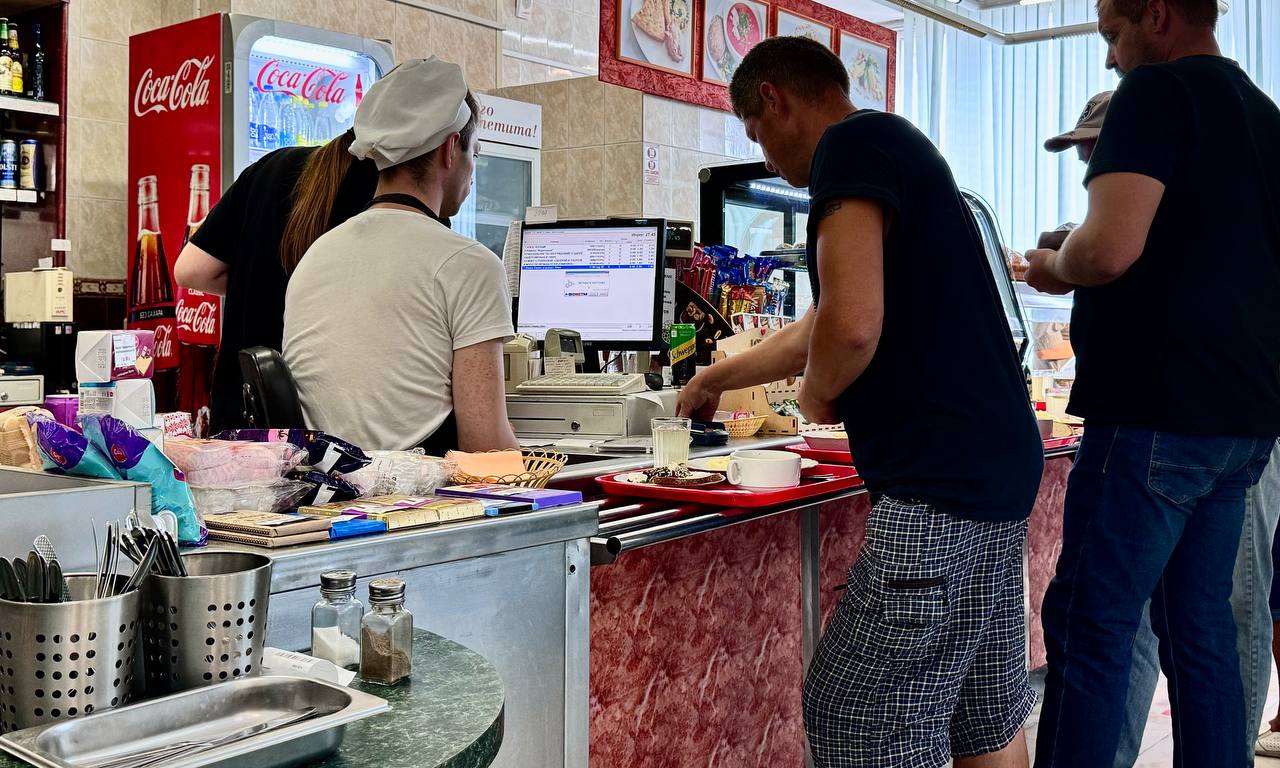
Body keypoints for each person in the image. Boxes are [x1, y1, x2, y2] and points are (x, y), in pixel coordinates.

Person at [678, 37, 1044, 767]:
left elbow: (849, 328)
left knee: (857, 714)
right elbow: (821, 322)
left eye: (757, 134)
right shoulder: (898, 147)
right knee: (982, 715)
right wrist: (716, 378)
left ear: (775, 99)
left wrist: (817, 394)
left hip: (936, 487)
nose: (768, 160)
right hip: (996, 475)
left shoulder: (849, 147)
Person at [1025, 0, 1280, 764]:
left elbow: (1107, 252)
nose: (1111, 56)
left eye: (1113, 33)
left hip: (1156, 411)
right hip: (1242, 420)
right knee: (1199, 629)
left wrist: (1055, 264)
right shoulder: (1264, 117)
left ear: (1158, 14)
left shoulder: (1157, 91)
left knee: (1092, 624)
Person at [283, 57, 517, 454]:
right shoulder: (469, 264)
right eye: (474, 153)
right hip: (422, 492)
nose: (473, 170)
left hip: (324, 486)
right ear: (450, 150)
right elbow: (486, 451)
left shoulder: (317, 254)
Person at [174, 128, 379, 433]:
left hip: (239, 413)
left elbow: (191, 269)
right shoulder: (385, 188)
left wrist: (252, 281)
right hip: (322, 429)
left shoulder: (272, 166)